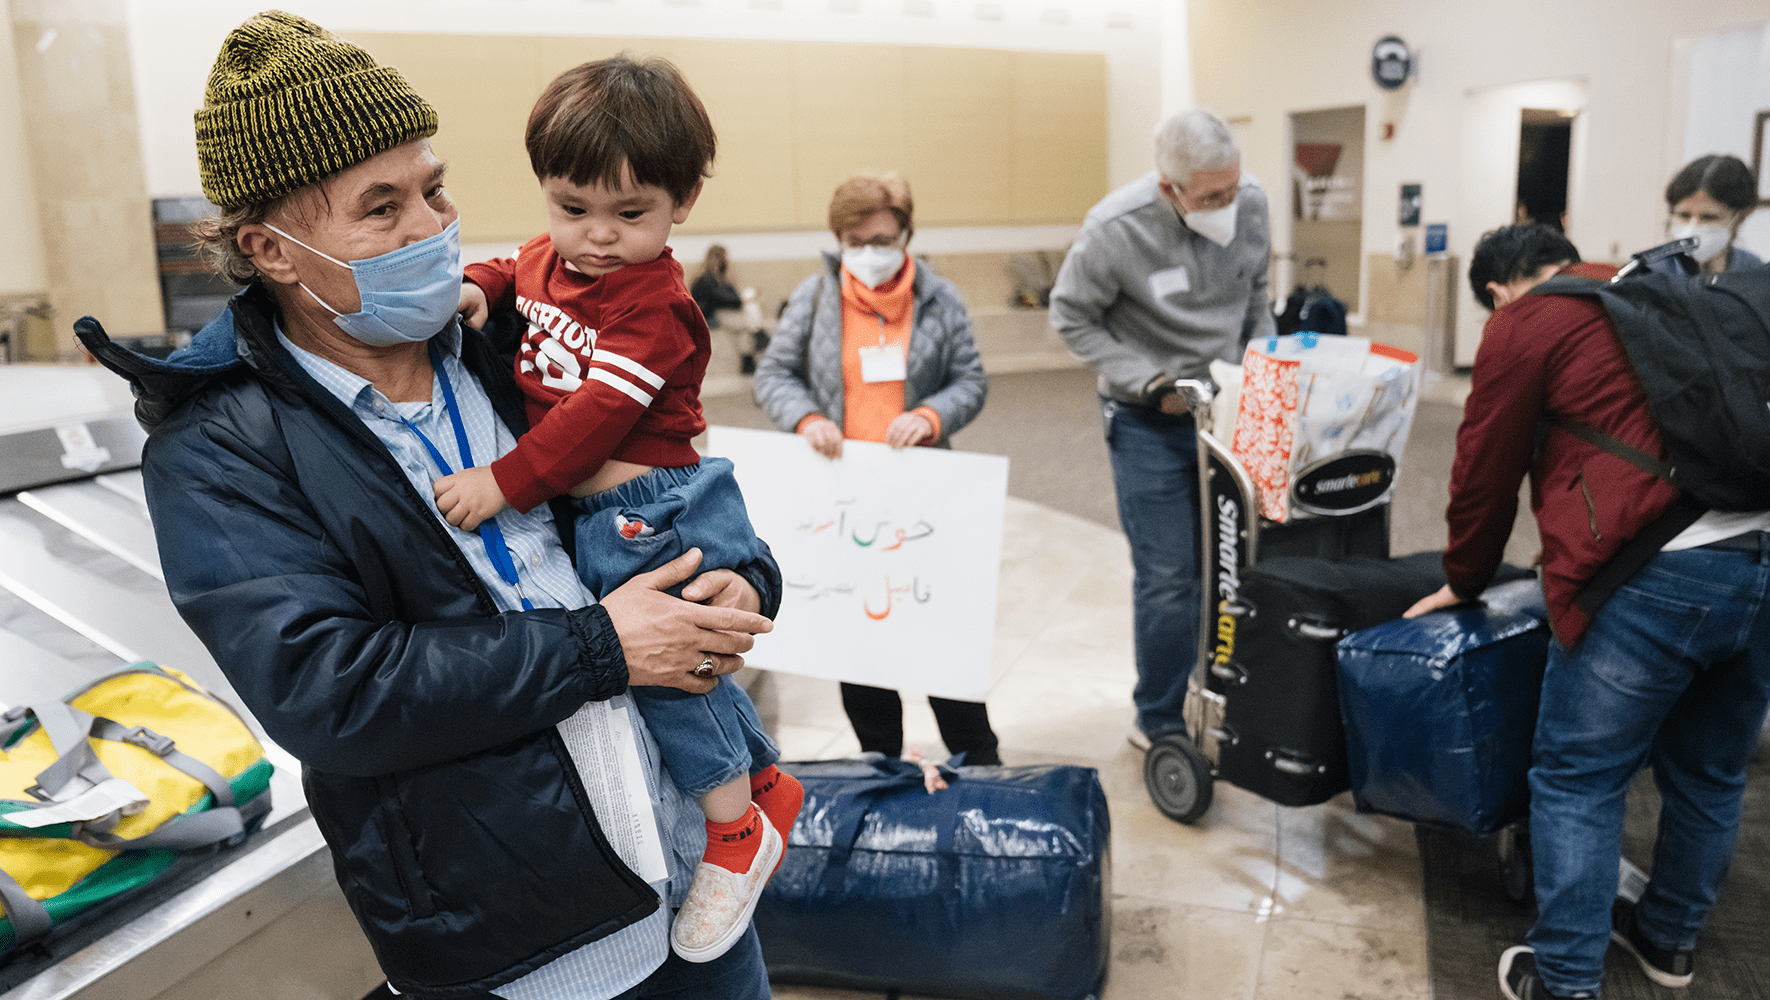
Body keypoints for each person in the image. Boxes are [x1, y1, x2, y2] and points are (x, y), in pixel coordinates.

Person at [74, 13, 781, 999]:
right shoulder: (224, 449)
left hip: (695, 881)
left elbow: (664, 479)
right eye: (381, 207)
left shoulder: (512, 338)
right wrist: (604, 647)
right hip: (527, 951)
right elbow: (335, 690)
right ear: (268, 250)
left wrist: (740, 578)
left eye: (434, 187)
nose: (431, 226)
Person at [447, 55, 800, 965]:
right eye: (572, 208)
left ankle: (734, 833)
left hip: (652, 504)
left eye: (629, 214)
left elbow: (595, 421)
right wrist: (478, 291)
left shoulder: (659, 307)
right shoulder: (547, 257)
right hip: (610, 514)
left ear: (681, 203)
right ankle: (763, 781)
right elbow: (507, 267)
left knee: (668, 672)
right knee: (670, 663)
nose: (596, 238)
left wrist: (505, 484)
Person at [1404, 224, 1770, 1000]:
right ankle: (1668, 942)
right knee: (1710, 773)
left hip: (1653, 571)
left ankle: (1565, 979)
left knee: (1579, 780)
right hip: (1759, 558)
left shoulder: (1528, 321)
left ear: (1499, 288)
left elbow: (1483, 471)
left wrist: (1464, 578)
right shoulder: (1661, 289)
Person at [752, 172, 998, 765]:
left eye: (883, 239)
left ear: (906, 236)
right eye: (855, 241)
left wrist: (932, 414)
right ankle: (880, 760)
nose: (869, 254)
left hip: (921, 493)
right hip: (845, 499)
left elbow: (971, 380)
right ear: (838, 239)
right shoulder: (815, 299)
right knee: (861, 642)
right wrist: (807, 417)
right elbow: (773, 375)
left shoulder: (940, 299)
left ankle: (977, 757)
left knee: (941, 635)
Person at [1047, 108, 1275, 749]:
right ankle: (1161, 719)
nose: (1227, 204)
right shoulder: (1114, 230)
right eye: (1210, 197)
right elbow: (1070, 319)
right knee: (1172, 579)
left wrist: (1266, 364)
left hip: (1231, 412)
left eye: (1232, 189)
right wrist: (1148, 380)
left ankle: (1228, 694)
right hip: (1152, 421)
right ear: (1168, 188)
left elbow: (1257, 294)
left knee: (1236, 567)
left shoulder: (1252, 203)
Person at [1649, 154, 1761, 274]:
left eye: (1708, 217)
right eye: (1684, 215)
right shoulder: (1648, 272)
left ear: (1740, 218)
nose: (1692, 227)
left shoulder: (1753, 271)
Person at [690, 244, 764, 373]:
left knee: (744, 331)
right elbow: (720, 299)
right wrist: (739, 300)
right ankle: (758, 334)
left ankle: (748, 361)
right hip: (709, 316)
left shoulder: (722, 279)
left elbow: (734, 298)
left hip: (724, 314)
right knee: (746, 324)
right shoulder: (705, 279)